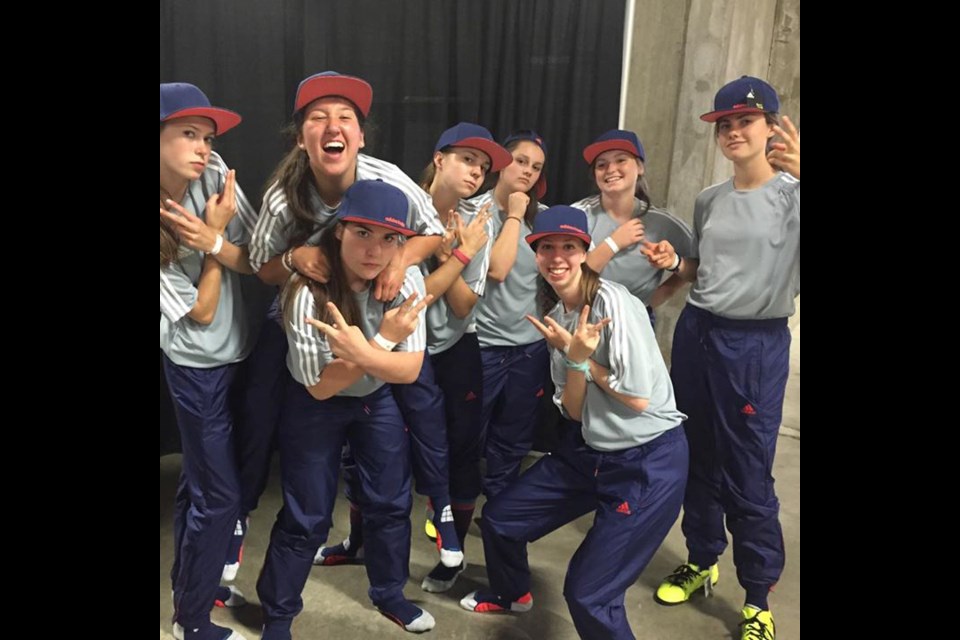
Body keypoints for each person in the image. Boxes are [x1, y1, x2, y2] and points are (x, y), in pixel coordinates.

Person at [240, 71, 445, 572]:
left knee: (409, 410)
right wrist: (293, 260)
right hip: (309, 304)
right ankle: (238, 516)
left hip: (379, 305)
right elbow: (260, 268)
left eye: (345, 117)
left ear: (360, 135)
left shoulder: (388, 178)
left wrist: (399, 260)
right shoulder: (283, 197)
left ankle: (437, 515)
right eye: (318, 117)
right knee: (265, 403)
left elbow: (434, 232)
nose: (333, 126)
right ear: (302, 136)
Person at [460, 206, 688, 640]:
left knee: (589, 593)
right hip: (589, 450)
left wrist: (582, 361)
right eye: (547, 247)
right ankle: (513, 594)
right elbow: (574, 411)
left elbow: (638, 398)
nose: (557, 257)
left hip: (647, 461)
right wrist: (575, 364)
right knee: (502, 519)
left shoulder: (613, 303)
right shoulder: (561, 315)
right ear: (537, 255)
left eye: (569, 246)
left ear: (585, 252)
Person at [646, 76, 799, 640]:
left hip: (754, 346)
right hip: (698, 334)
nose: (734, 132)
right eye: (725, 124)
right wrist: (673, 262)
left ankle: (758, 598)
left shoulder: (793, 195)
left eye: (746, 121)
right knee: (698, 457)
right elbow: (699, 273)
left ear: (772, 128)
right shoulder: (710, 200)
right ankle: (703, 559)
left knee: (748, 474)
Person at [256, 180, 437, 638]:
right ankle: (278, 618)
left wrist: (366, 353)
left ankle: (389, 592)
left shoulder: (405, 280)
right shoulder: (305, 289)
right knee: (306, 515)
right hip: (315, 402)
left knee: (391, 502)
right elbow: (320, 387)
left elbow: (410, 370)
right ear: (339, 230)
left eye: (389, 237)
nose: (374, 249)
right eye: (363, 232)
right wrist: (381, 343)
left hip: (374, 397)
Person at [159, 82, 253, 640]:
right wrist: (214, 240)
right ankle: (190, 622)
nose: (203, 147)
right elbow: (199, 311)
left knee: (200, 488)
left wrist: (218, 245)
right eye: (188, 134)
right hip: (195, 367)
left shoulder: (215, 173)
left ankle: (191, 585)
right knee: (219, 497)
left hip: (236, 353)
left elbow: (256, 257)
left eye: (208, 135)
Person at [466, 130, 550, 500]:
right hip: (482, 345)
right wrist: (514, 215)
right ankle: (456, 503)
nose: (528, 172)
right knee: (468, 432)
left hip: (529, 347)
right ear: (501, 163)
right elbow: (496, 271)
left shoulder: (544, 219)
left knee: (514, 435)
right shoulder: (475, 212)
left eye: (536, 167)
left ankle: (499, 505)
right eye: (521, 161)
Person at [572, 129, 692, 322]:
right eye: (601, 164)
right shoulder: (577, 216)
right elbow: (570, 278)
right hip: (583, 318)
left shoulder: (663, 223)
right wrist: (613, 243)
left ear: (640, 167)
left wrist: (673, 264)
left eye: (621, 160)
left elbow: (698, 268)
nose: (611, 169)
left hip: (637, 320)